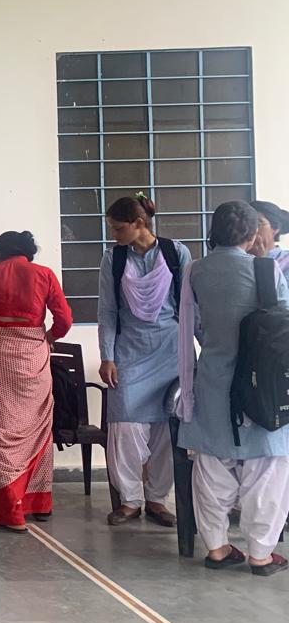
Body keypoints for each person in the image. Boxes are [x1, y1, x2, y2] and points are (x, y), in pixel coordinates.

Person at [178, 201, 289, 575]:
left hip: (213, 378)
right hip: (261, 383)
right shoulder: (266, 269)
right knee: (267, 466)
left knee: (211, 464)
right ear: (253, 234)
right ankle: (261, 554)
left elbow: (187, 328)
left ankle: (218, 548)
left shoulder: (195, 269)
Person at [97, 194, 190, 527]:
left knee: (167, 427)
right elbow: (107, 311)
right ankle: (130, 500)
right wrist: (107, 356)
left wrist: (204, 350)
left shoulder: (176, 253)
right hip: (129, 352)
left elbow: (189, 306)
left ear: (139, 224)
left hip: (170, 351)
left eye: (118, 228)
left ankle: (157, 499)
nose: (114, 234)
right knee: (124, 426)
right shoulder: (114, 259)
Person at [0, 231, 72, 531]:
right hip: (34, 358)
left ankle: (7, 510)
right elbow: (64, 320)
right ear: (29, 251)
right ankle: (38, 504)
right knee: (38, 431)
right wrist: (48, 337)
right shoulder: (45, 274)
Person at [250, 200, 289, 276]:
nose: (250, 229)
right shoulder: (237, 256)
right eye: (247, 224)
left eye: (257, 224)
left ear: (275, 228)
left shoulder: (286, 260)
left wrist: (262, 261)